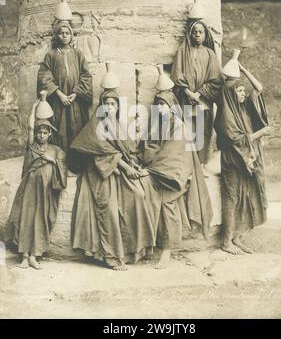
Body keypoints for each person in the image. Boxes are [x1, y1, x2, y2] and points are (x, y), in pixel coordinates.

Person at [70, 90, 156, 271]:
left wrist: (133, 164)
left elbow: (125, 150)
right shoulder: (95, 125)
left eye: (113, 104)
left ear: (117, 107)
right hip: (100, 171)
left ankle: (134, 250)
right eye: (106, 104)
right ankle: (111, 257)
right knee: (108, 207)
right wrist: (125, 168)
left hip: (118, 167)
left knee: (138, 195)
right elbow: (100, 153)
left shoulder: (118, 125)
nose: (109, 108)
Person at [139, 90, 212, 268]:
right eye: (158, 105)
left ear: (172, 107)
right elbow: (150, 145)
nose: (160, 108)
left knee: (167, 204)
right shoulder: (158, 124)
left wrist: (151, 167)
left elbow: (173, 154)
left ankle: (167, 250)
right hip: (160, 170)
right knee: (146, 196)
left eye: (164, 105)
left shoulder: (179, 126)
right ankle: (150, 245)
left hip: (176, 173)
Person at [214, 65, 272, 255]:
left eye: (243, 90)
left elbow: (259, 89)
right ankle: (225, 241)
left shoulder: (243, 107)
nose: (242, 94)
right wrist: (260, 133)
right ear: (231, 93)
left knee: (245, 197)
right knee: (232, 198)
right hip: (233, 161)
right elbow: (236, 139)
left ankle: (237, 236)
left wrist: (245, 70)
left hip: (246, 159)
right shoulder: (226, 115)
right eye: (239, 91)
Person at [6, 101, 67, 269]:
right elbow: (30, 128)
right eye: (39, 132)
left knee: (40, 220)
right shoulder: (32, 147)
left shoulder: (55, 150)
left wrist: (52, 160)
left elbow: (62, 169)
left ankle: (35, 256)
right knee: (26, 219)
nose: (41, 135)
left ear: (49, 134)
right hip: (30, 190)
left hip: (45, 193)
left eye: (44, 132)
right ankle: (24, 256)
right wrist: (34, 107)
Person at [171, 20, 222, 176]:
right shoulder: (182, 51)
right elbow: (177, 75)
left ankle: (201, 164)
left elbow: (216, 80)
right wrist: (187, 92)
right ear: (190, 34)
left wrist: (199, 94)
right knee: (187, 131)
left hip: (203, 100)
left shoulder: (209, 53)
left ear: (205, 34)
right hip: (186, 98)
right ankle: (189, 165)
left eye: (201, 32)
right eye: (195, 32)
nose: (197, 35)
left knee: (203, 131)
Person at [37, 21, 93, 152]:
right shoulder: (51, 55)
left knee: (76, 127)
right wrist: (60, 94)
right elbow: (44, 77)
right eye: (61, 33)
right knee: (60, 128)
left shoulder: (78, 54)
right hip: (59, 100)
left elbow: (86, 76)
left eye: (67, 33)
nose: (64, 36)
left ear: (71, 35)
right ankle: (60, 159)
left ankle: (75, 162)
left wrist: (75, 93)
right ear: (56, 35)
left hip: (75, 101)